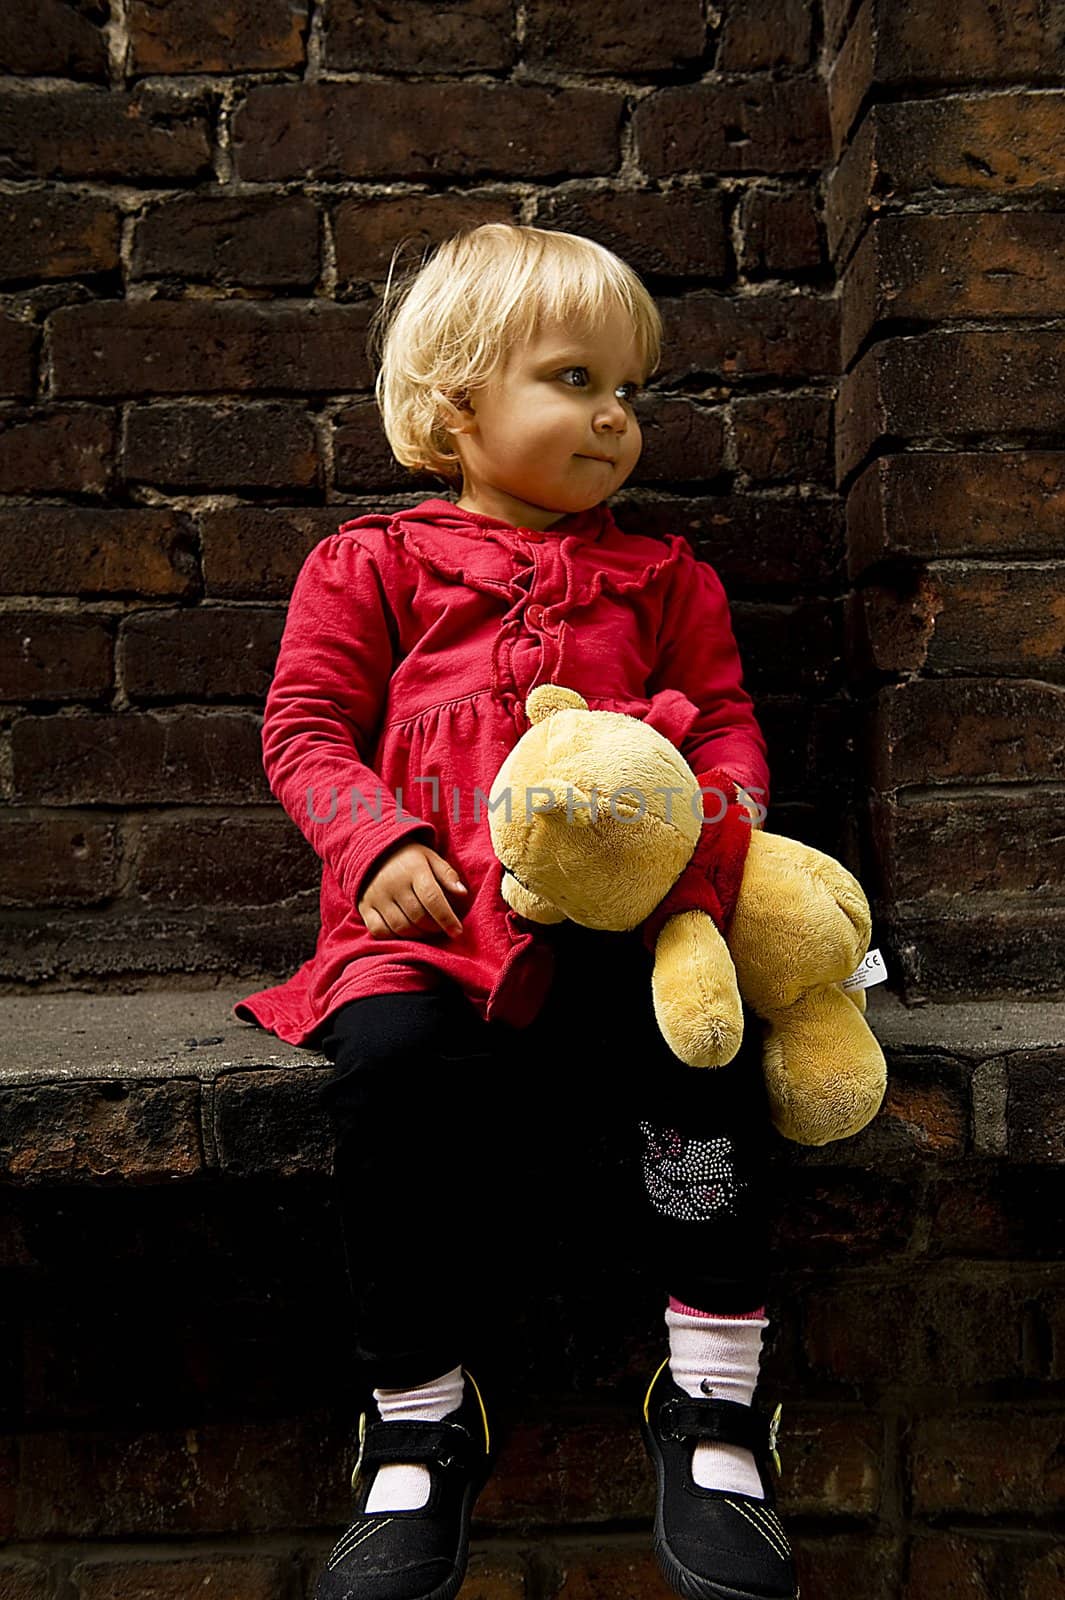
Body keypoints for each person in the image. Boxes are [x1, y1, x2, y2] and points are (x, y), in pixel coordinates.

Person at [232, 223, 797, 1600]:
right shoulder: (370, 566)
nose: (614, 415)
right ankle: (418, 1417)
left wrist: (704, 873)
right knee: (385, 1081)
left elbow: (724, 736)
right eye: (572, 379)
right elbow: (304, 727)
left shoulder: (667, 582)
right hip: (415, 931)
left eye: (627, 388)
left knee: (701, 1064)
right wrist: (374, 847)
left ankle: (715, 1397)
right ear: (456, 406)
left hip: (623, 932)